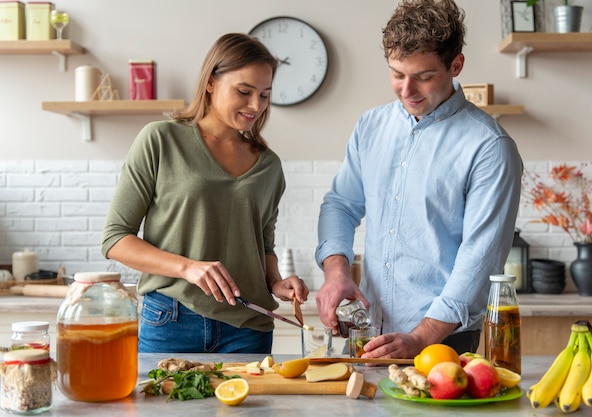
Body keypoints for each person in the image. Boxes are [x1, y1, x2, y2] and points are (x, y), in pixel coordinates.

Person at [315, 0, 523, 359]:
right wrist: (337, 271)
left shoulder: (490, 146)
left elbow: (481, 257)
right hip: (368, 332)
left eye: (424, 76)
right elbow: (341, 205)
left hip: (442, 342)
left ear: (456, 65)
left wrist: (422, 337)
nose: (406, 90)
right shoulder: (371, 126)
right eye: (397, 74)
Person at [101, 33, 309, 354]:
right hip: (172, 318)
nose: (256, 105)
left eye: (265, 95)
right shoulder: (160, 140)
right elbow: (116, 240)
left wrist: (276, 282)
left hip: (248, 328)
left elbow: (262, 245)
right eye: (244, 91)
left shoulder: (269, 165)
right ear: (211, 82)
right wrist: (188, 267)